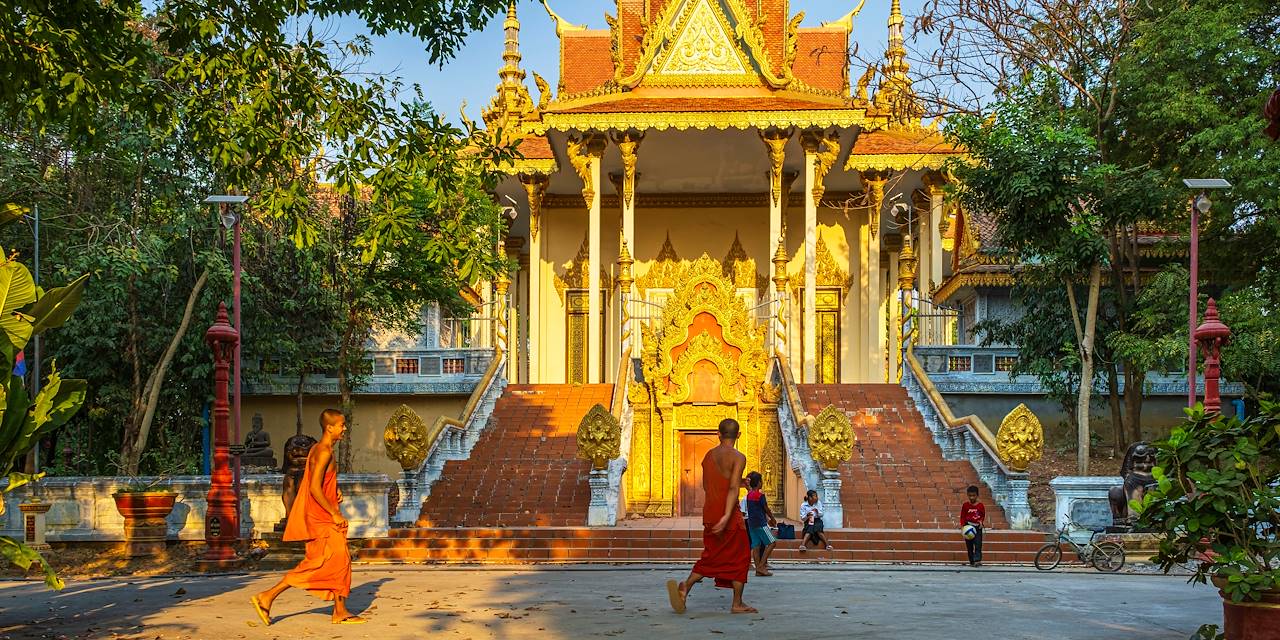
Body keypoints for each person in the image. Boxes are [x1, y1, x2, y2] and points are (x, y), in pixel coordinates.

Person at [251, 409, 366, 625]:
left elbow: (319, 480)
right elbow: (313, 487)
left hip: (321, 514)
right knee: (324, 562)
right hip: (322, 517)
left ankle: (340, 610)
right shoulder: (323, 452)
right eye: (341, 425)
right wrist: (333, 512)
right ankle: (267, 596)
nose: (344, 429)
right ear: (329, 427)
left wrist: (335, 489)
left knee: (339, 561)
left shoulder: (318, 449)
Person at [666, 418, 755, 614]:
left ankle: (685, 587)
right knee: (741, 557)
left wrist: (740, 483)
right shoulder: (738, 457)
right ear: (738, 435)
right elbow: (731, 487)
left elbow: (710, 485)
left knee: (712, 555)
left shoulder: (708, 455)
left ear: (718, 434)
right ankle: (737, 603)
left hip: (710, 511)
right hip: (728, 515)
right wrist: (726, 516)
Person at [743, 471, 777, 576]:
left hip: (751, 523)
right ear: (758, 482)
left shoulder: (749, 495)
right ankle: (761, 566)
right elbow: (766, 509)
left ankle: (758, 569)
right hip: (760, 523)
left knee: (756, 545)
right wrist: (772, 519)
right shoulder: (760, 495)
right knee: (772, 543)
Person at [960, 485, 986, 567]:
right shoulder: (965, 505)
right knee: (969, 545)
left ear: (977, 495)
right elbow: (962, 516)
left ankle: (977, 560)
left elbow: (982, 515)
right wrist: (962, 526)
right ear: (967, 495)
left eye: (973, 495)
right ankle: (971, 561)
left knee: (978, 544)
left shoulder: (980, 505)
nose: (971, 497)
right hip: (968, 527)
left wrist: (981, 522)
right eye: (970, 495)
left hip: (977, 527)